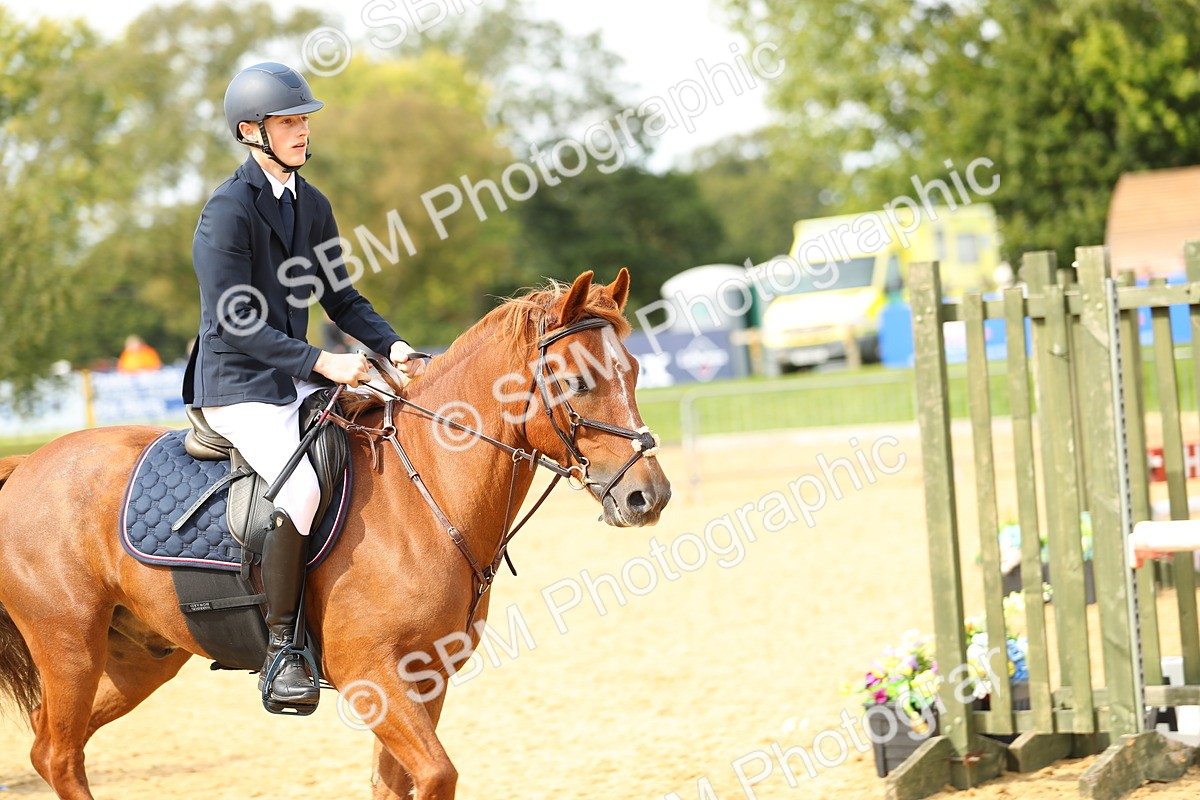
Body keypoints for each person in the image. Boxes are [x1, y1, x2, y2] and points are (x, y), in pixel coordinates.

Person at [181, 62, 425, 711]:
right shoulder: (227, 212)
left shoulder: (310, 204)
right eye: (289, 120)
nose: (301, 130)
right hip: (237, 384)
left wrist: (394, 347)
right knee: (302, 485)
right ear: (251, 131)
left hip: (290, 376)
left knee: (380, 432)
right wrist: (323, 363)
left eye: (303, 119)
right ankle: (284, 647)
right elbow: (235, 323)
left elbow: (341, 297)